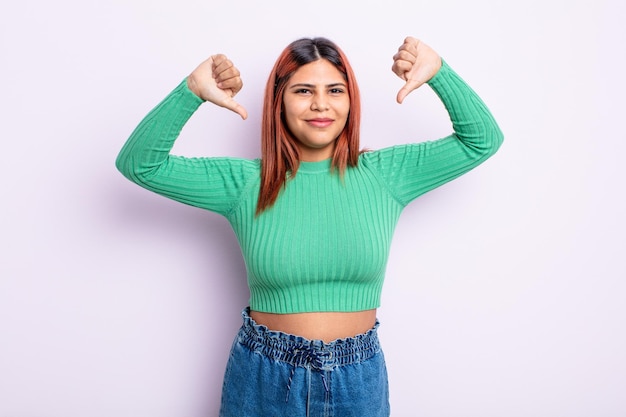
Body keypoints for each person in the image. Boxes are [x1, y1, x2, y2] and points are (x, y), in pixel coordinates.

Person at [116, 36, 503, 417]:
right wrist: (192, 91)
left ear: (351, 101)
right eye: (303, 90)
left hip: (358, 379)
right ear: (279, 101)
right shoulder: (245, 182)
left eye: (335, 89)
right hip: (263, 376)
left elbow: (481, 140)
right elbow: (140, 164)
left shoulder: (386, 175)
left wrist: (438, 72)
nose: (321, 104)